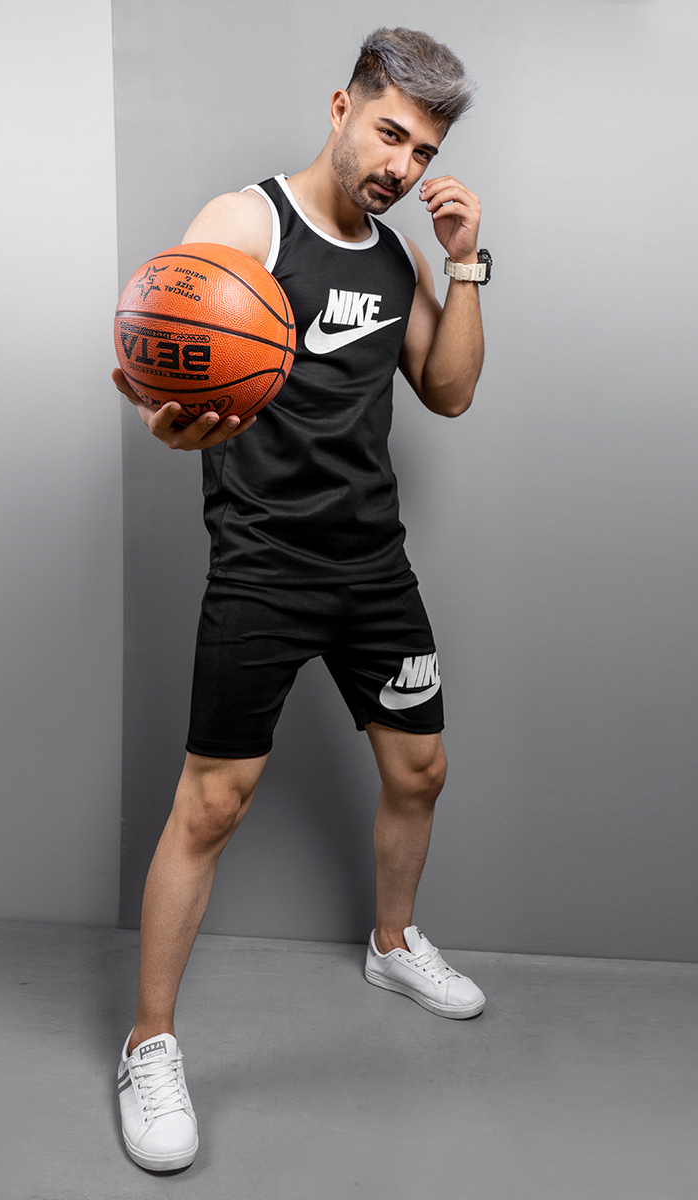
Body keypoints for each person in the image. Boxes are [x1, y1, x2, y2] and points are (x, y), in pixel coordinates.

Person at [111, 27, 491, 1172]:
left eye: (422, 153)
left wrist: (464, 263)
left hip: (373, 565)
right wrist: (169, 419)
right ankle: (149, 1043)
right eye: (390, 134)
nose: (401, 167)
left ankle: (392, 944)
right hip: (265, 567)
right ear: (340, 107)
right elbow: (164, 354)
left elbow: (449, 391)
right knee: (212, 805)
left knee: (420, 769)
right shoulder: (248, 223)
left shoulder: (396, 256)